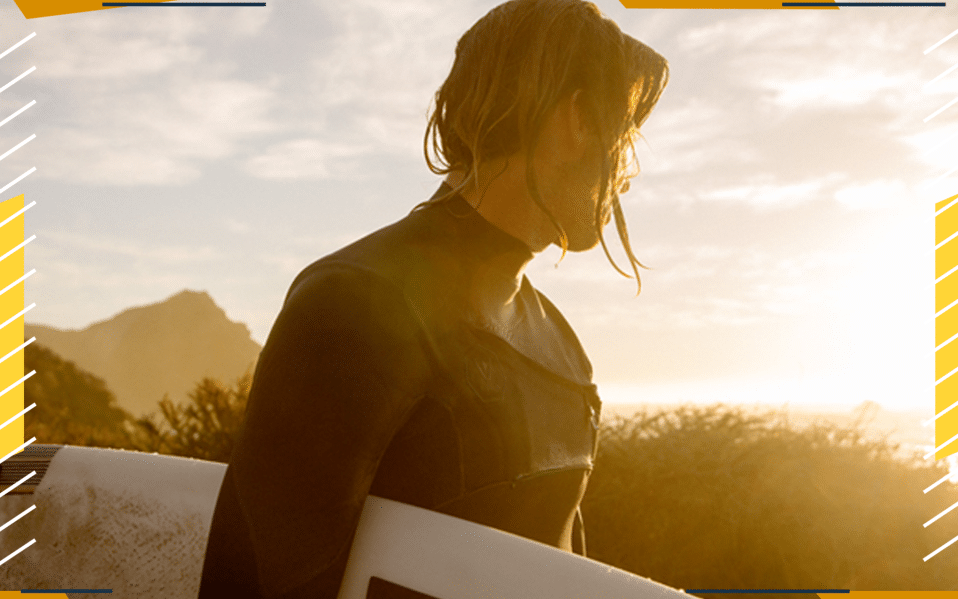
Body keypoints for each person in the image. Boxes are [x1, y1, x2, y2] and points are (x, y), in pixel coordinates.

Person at [197, 1, 668, 597]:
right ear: (575, 120)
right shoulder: (355, 304)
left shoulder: (561, 343)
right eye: (623, 129)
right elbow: (261, 585)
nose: (626, 170)